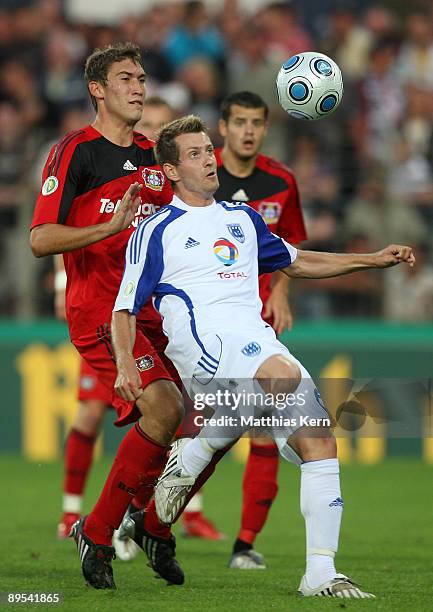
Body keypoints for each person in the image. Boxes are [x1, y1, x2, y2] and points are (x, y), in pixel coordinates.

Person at [112, 115, 414, 598]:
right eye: (194, 154)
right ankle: (200, 447)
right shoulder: (156, 228)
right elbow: (124, 305)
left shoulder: (242, 217)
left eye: (209, 149)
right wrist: (126, 364)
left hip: (253, 338)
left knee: (319, 439)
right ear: (169, 171)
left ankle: (320, 572)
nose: (209, 158)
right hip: (203, 343)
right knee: (283, 375)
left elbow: (298, 261)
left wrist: (372, 259)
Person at [30, 42, 186, 590]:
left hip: (155, 312)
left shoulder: (151, 157)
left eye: (142, 77)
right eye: (126, 78)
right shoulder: (74, 152)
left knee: (200, 422)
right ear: (98, 89)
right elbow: (41, 239)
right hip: (99, 309)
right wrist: (108, 226)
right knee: (164, 408)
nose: (139, 86)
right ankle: (101, 529)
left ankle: (142, 524)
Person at [215, 90, 306, 568]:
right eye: (240, 122)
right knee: (186, 427)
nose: (248, 130)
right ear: (223, 127)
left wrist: (281, 292)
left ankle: (245, 543)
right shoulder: (198, 171)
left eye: (257, 122)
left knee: (265, 429)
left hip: (255, 321)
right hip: (201, 320)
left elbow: (290, 248)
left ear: (266, 128)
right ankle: (141, 519)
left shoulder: (281, 181)